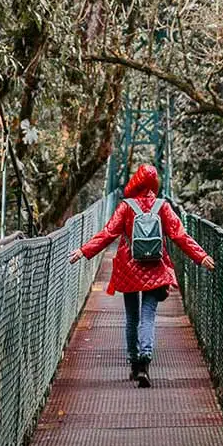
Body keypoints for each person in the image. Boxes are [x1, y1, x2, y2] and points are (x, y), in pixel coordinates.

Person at [68, 164, 215, 387]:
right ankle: (145, 362)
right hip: (155, 268)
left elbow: (108, 233)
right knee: (148, 317)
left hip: (129, 268)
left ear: (135, 181)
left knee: (131, 318)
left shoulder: (125, 207)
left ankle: (134, 363)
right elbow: (179, 235)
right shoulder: (162, 206)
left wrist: (83, 250)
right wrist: (201, 256)